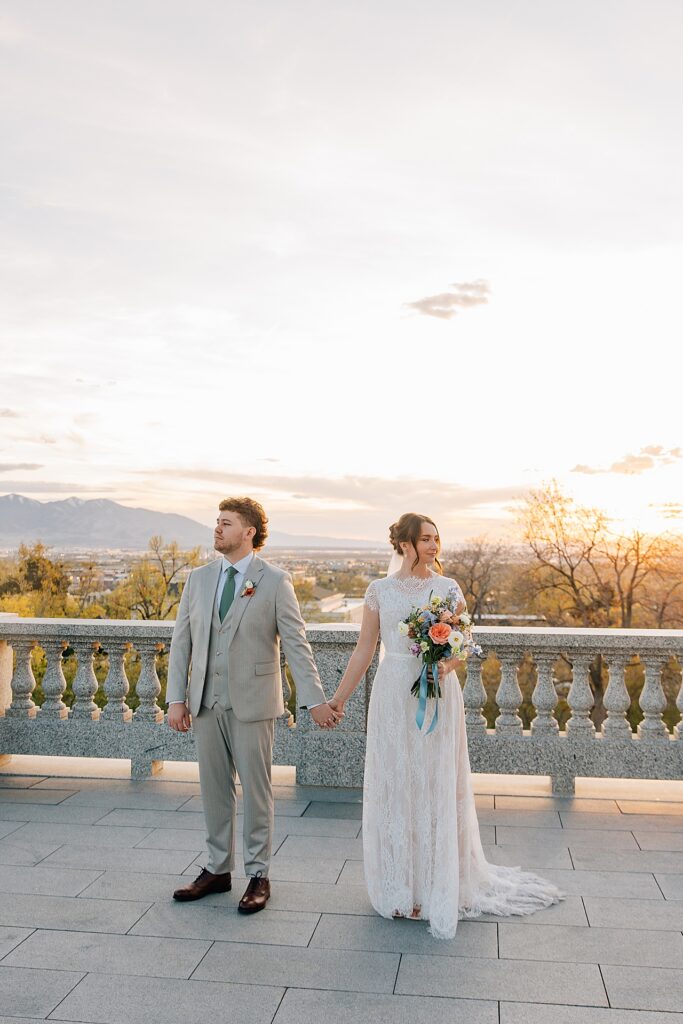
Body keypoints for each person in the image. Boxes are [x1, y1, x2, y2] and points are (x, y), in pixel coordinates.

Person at [328, 512, 562, 939]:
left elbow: (464, 645)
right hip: (393, 693)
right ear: (403, 544)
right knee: (397, 783)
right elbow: (365, 650)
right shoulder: (378, 591)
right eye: (425, 539)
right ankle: (400, 886)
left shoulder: (448, 589)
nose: (434, 546)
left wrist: (443, 666)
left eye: (437, 539)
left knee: (435, 782)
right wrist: (339, 699)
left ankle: (437, 883)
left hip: (436, 693)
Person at [166, 497, 340, 913]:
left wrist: (315, 700)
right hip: (206, 702)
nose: (217, 529)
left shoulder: (275, 581)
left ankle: (259, 874)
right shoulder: (199, 579)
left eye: (226, 524)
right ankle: (217, 869)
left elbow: (297, 646)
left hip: (254, 703)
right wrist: (176, 698)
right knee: (212, 790)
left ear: (249, 532)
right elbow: (181, 643)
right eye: (216, 522)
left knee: (258, 793)